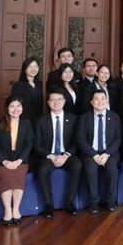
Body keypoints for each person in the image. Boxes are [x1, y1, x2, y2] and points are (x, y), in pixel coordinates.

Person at [34, 88, 82, 218]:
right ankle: (49, 205)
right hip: (49, 155)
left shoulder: (73, 119)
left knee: (77, 166)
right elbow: (36, 144)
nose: (56, 102)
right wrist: (50, 156)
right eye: (53, 100)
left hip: (66, 154)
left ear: (64, 101)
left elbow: (77, 142)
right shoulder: (41, 120)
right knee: (43, 170)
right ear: (48, 103)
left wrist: (66, 155)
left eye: (59, 99)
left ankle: (69, 202)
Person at [0, 96, 34, 226]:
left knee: (17, 173)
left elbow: (29, 144)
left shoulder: (27, 124)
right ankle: (8, 210)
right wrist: (4, 161)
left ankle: (16, 209)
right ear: (7, 108)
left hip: (20, 160)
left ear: (22, 108)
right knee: (7, 174)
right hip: (0, 162)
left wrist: (19, 160)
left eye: (18, 106)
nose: (16, 109)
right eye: (12, 106)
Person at [76, 89, 121, 213]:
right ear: (91, 102)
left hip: (109, 152)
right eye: (96, 99)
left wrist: (107, 154)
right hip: (90, 153)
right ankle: (94, 202)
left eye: (102, 98)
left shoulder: (115, 117)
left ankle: (111, 201)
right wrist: (94, 155)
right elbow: (81, 139)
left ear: (107, 101)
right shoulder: (84, 118)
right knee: (91, 170)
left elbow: (118, 139)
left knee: (112, 170)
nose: (100, 101)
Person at [11, 57, 43, 124]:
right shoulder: (18, 85)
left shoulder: (41, 84)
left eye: (35, 66)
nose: (33, 69)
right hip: (25, 120)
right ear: (24, 69)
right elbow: (16, 104)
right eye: (30, 67)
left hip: (40, 119)